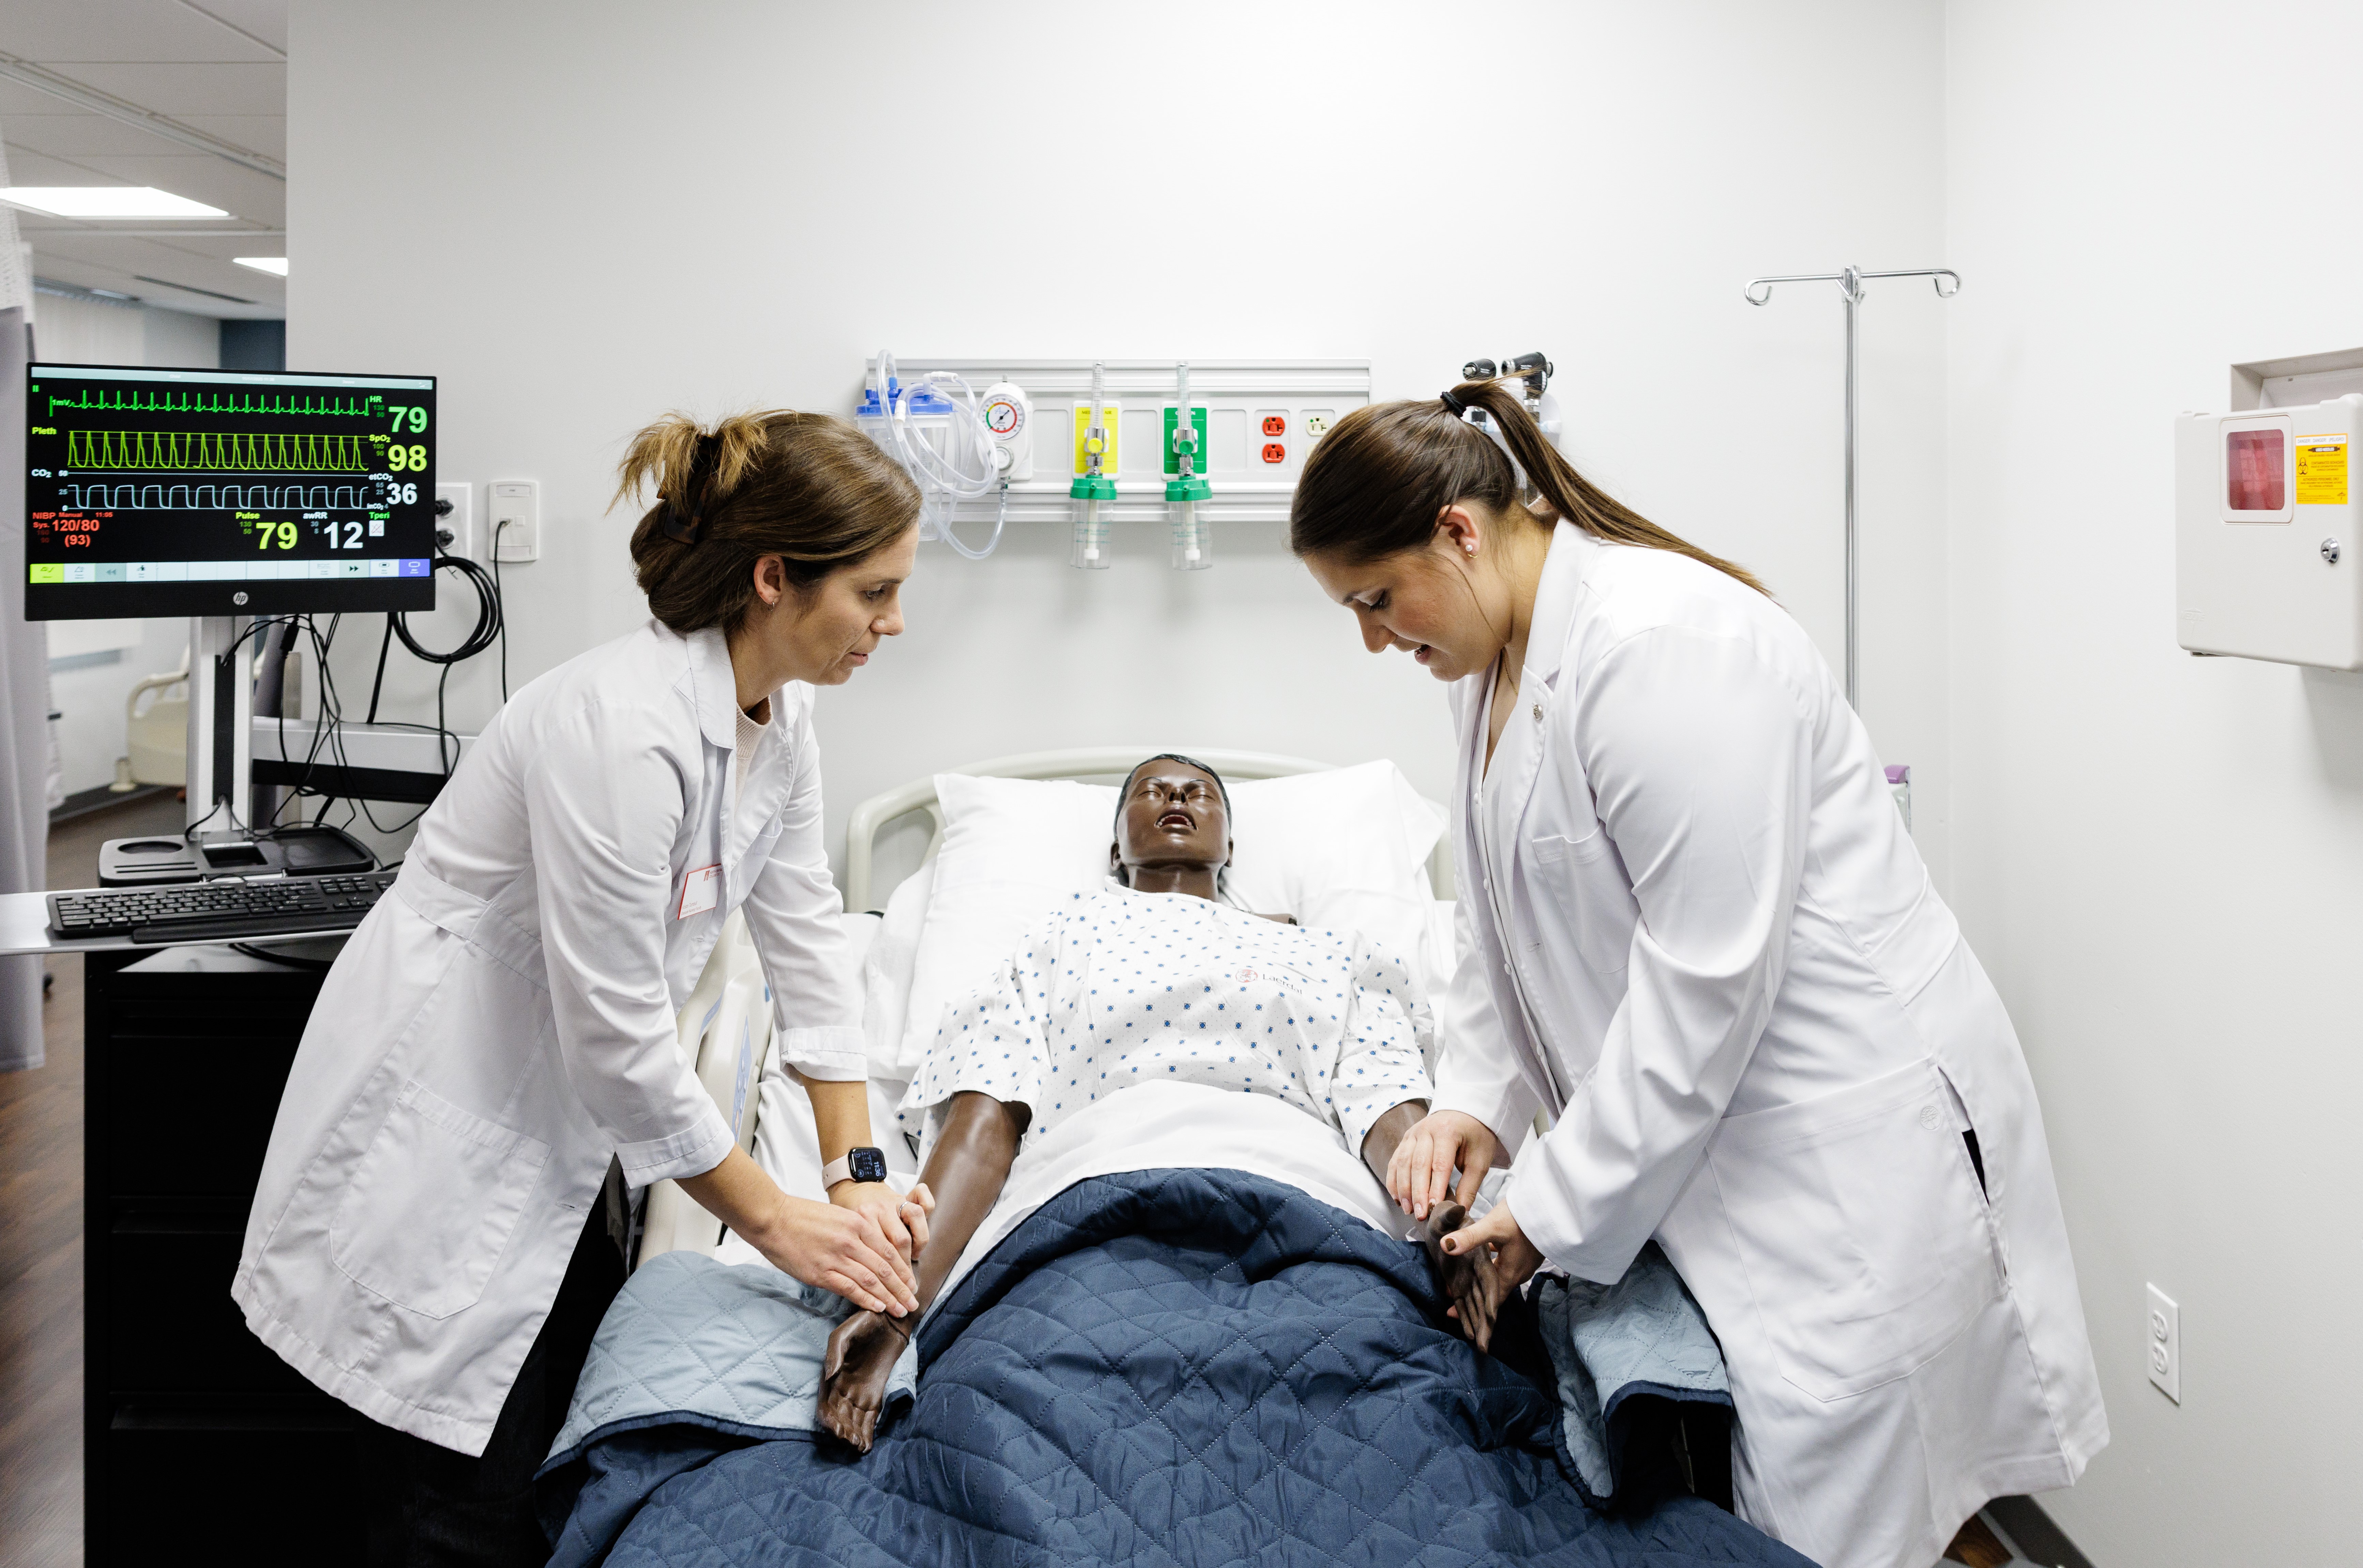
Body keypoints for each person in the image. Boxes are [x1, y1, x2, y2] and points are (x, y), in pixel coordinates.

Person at [1287, 381, 2108, 1568]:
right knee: (1828, 1509)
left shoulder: (1666, 650)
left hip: (1840, 1151)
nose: (1373, 637)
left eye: (1374, 599)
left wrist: (1544, 1210)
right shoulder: (1491, 670)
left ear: (1459, 533)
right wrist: (1476, 1100)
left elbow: (1700, 991)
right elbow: (1499, 926)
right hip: (1719, 1159)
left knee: (1887, 1510)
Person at [234, 409, 938, 1566]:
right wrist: (779, 1225)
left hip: (562, 1144)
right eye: (874, 591)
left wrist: (856, 1175)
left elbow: (811, 944)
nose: (893, 623)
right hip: (443, 1142)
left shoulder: (781, 713)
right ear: (775, 578)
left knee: (540, 1471)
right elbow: (618, 1044)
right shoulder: (619, 730)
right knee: (452, 1506)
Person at [815, 753, 1498, 1450]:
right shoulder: (1059, 941)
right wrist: (899, 1310)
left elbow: (1387, 1103)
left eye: (1199, 793)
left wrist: (1446, 1223)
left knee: (1395, 1415)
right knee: (1004, 1423)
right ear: (1115, 847)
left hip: (1304, 1222)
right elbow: (984, 1124)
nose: (1176, 795)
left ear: (1229, 846)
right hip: (1081, 1226)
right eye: (1151, 791)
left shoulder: (1324, 954)